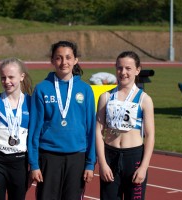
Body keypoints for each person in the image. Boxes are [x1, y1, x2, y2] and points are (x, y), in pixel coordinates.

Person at [28, 40, 96, 200]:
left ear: (75, 60)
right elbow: (34, 128)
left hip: (77, 157)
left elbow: (91, 128)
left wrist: (90, 163)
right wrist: (34, 163)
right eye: (58, 58)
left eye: (68, 57)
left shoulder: (85, 90)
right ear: (52, 60)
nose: (64, 62)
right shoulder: (42, 88)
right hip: (48, 156)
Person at [95, 51, 155, 200]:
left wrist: (143, 167)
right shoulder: (106, 97)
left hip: (134, 158)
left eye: (128, 68)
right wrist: (102, 163)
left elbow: (150, 135)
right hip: (110, 157)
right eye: (120, 68)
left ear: (137, 70)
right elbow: (98, 131)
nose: (123, 72)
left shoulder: (144, 99)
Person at [0, 57, 32, 200]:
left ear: (22, 77)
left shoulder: (30, 103)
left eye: (11, 77)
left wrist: (33, 167)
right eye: (3, 78)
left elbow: (34, 137)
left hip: (20, 163)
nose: (7, 81)